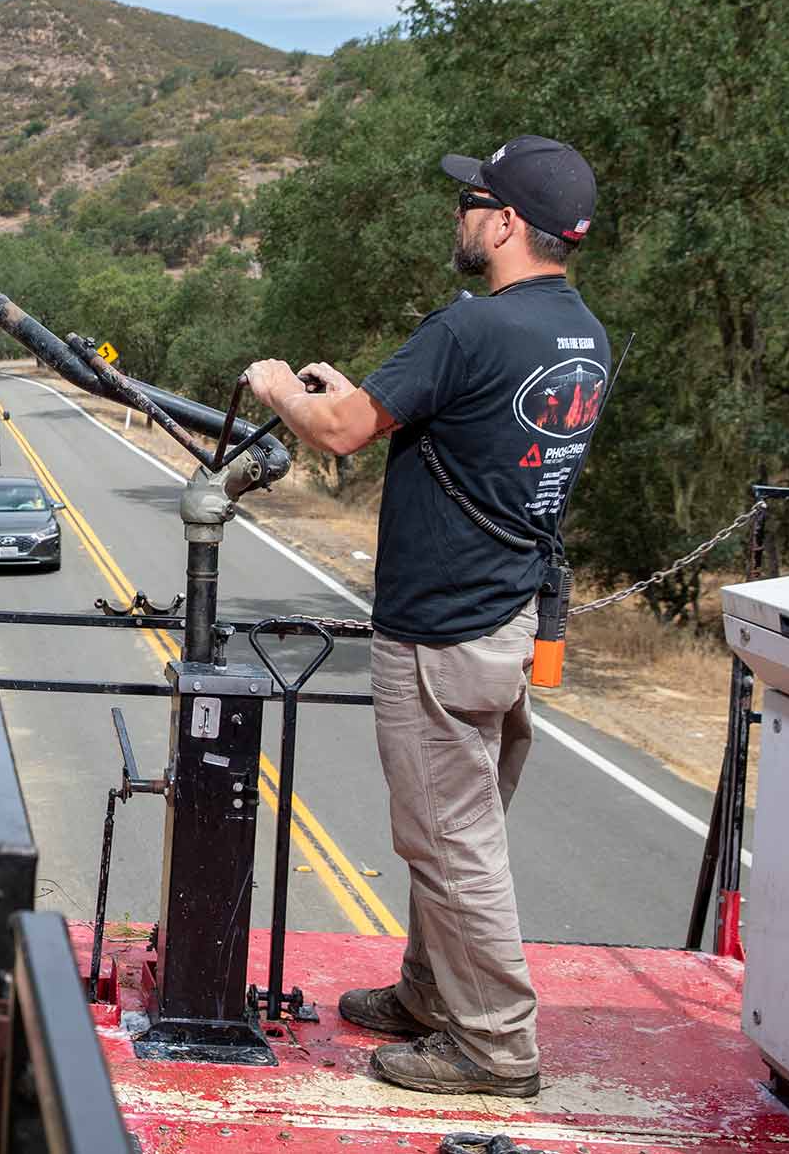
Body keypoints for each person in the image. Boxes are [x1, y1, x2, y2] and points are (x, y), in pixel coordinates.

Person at [244, 135, 607, 1100]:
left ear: (506, 224)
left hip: (441, 629)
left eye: (471, 202)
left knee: (451, 840)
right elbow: (452, 425)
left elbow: (342, 431)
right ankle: (428, 992)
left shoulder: (471, 327)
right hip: (503, 619)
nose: (461, 216)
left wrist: (281, 386)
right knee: (455, 825)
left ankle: (493, 1044)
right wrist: (350, 396)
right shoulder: (582, 336)